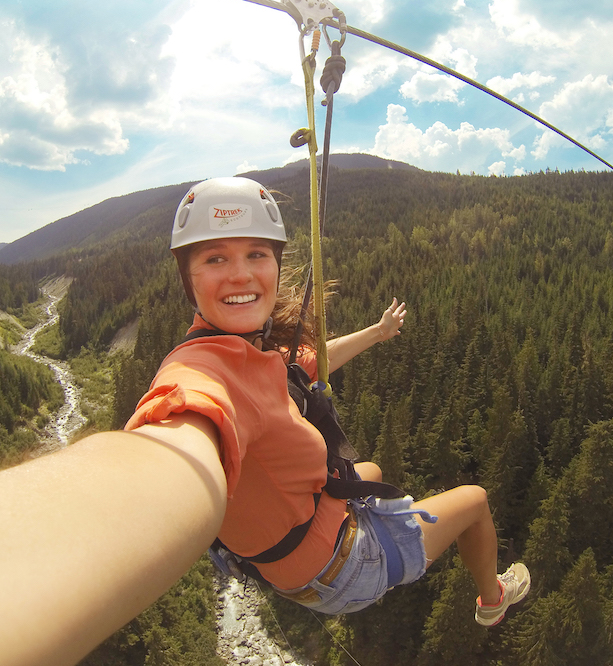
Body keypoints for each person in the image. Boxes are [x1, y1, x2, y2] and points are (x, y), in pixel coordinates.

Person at [0, 177, 530, 666]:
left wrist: (375, 332)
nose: (240, 273)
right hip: (341, 570)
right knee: (476, 500)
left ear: (276, 265)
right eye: (214, 258)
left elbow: (308, 365)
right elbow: (173, 444)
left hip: (293, 555)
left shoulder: (244, 353)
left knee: (368, 468)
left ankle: (368, 516)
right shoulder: (201, 374)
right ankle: (492, 599)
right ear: (188, 276)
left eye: (257, 253)